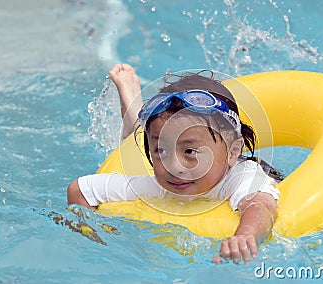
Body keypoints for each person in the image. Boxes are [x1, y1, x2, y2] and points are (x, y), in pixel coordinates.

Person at [67, 64, 283, 264]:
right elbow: (80, 190)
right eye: (160, 151)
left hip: (249, 169)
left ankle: (136, 107)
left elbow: (260, 205)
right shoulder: (156, 185)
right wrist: (92, 237)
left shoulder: (242, 176)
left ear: (233, 151)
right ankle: (132, 102)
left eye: (190, 152)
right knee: (136, 139)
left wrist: (245, 235)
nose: (174, 166)